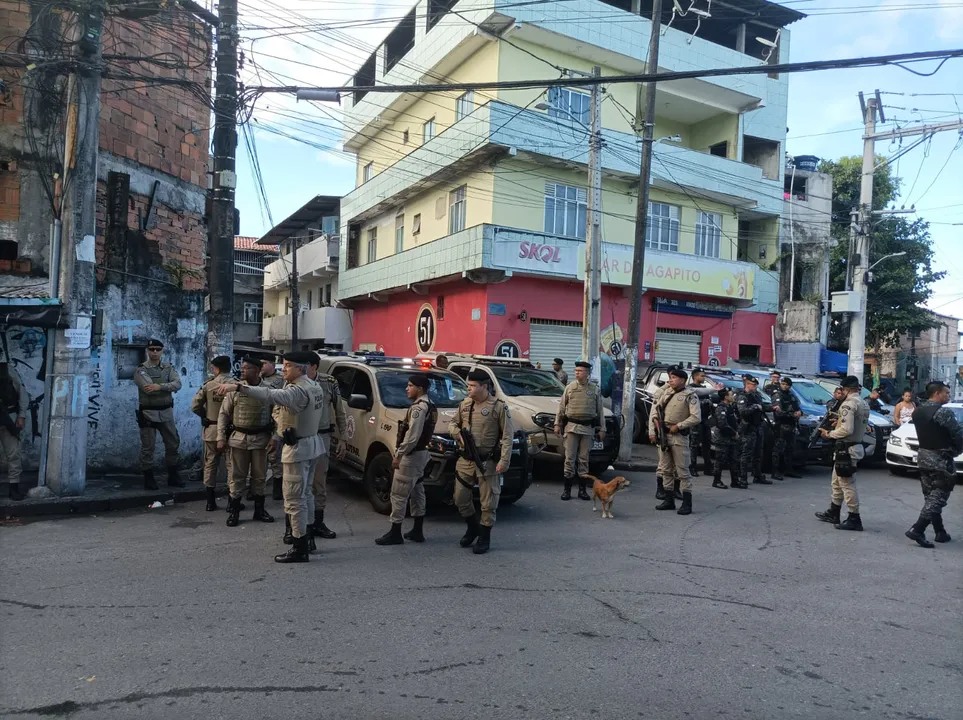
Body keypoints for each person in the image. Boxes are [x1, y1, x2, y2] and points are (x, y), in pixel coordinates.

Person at [216, 352, 324, 563]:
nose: (283, 369)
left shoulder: (297, 391)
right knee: (306, 495)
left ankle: (299, 545)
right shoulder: (313, 385)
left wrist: (238, 387)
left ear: (300, 369)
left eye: (288, 366)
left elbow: (270, 395)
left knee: (294, 499)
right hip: (311, 444)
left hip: (298, 448)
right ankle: (309, 538)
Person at [449, 368, 514, 554]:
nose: (468, 388)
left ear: (484, 386)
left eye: (472, 386)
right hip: (466, 459)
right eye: (468, 385)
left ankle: (484, 536)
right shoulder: (465, 404)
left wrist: (504, 461)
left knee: (488, 502)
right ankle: (472, 527)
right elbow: (453, 423)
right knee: (460, 498)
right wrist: (458, 434)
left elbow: (508, 436)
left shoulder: (498, 406)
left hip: (487, 462)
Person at [376, 375, 436, 546]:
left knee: (399, 494)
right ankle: (417, 530)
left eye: (410, 386)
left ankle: (395, 533)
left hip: (412, 456)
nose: (407, 388)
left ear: (420, 389)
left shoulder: (419, 408)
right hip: (422, 455)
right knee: (417, 492)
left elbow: (412, 436)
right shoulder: (430, 405)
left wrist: (399, 455)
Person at [217, 357, 276, 527]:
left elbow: (278, 415)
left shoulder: (268, 391)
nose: (242, 371)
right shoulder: (234, 390)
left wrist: (275, 437)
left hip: (261, 439)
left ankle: (259, 510)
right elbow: (224, 415)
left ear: (257, 371)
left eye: (247, 368)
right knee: (237, 477)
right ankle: (234, 511)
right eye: (242, 368)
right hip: (239, 439)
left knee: (259, 477)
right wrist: (220, 437)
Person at [905, 381, 962, 548]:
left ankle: (940, 531)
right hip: (940, 458)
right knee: (938, 497)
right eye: (946, 393)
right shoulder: (943, 412)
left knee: (931, 496)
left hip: (923, 456)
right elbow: (959, 435)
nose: (948, 396)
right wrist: (956, 450)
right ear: (937, 393)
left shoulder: (918, 411)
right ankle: (918, 529)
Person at [815, 375, 870, 531]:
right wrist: (838, 423)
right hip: (851, 447)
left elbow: (847, 430)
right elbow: (855, 424)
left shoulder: (848, 404)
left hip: (847, 448)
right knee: (837, 481)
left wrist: (829, 434)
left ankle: (854, 517)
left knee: (847, 484)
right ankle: (834, 511)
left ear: (846, 389)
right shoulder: (863, 403)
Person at [648, 367, 700, 515]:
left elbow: (696, 417)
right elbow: (656, 412)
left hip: (678, 437)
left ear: (682, 380)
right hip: (664, 435)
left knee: (682, 471)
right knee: (666, 470)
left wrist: (679, 426)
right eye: (670, 378)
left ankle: (687, 503)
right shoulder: (667, 393)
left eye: (674, 378)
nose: (670, 380)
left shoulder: (690, 395)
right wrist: (655, 429)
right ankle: (669, 499)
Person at [306, 352, 346, 540]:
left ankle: (318, 522)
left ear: (314, 366)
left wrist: (343, 438)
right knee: (298, 484)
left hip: (322, 437)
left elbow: (340, 411)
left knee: (319, 483)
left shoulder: (329, 382)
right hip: (301, 439)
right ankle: (294, 527)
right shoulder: (291, 382)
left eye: (304, 364)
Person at [134, 339, 183, 490]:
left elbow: (178, 384)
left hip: (166, 412)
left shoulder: (168, 368)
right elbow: (148, 387)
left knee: (173, 443)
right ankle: (148, 478)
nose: (155, 352)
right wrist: (166, 387)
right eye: (152, 349)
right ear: (147, 351)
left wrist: (159, 386)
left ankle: (173, 476)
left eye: (158, 349)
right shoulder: (141, 370)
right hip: (148, 412)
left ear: (162, 351)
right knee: (148, 447)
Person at [555, 360, 604, 501]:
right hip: (572, 427)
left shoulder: (594, 389)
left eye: (580, 371)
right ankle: (567, 490)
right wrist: (557, 424)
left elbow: (599, 411)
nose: (577, 373)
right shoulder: (570, 387)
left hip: (587, 429)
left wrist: (602, 429)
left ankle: (582, 490)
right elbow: (561, 408)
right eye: (576, 371)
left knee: (584, 460)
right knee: (569, 459)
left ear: (587, 373)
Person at [191, 355, 234, 511]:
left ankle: (210, 501)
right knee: (232, 467)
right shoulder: (236, 384)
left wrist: (205, 416)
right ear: (229, 367)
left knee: (210, 465)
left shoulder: (208, 385)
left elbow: (195, 406)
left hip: (212, 430)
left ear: (215, 369)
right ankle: (232, 502)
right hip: (231, 431)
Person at [0, 357, 27, 501]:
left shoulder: (7, 370)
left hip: (8, 419)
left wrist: (21, 415)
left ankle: (14, 488)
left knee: (13, 455)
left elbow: (22, 393)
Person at [736, 375, 769, 485]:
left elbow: (762, 406)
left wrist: (772, 408)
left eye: (756, 385)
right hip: (748, 427)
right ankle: (743, 477)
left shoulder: (756, 395)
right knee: (746, 453)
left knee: (758, 453)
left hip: (758, 426)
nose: (755, 387)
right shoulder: (742, 396)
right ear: (747, 384)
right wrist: (754, 407)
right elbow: (742, 411)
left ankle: (757, 475)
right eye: (753, 385)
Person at [260, 359, 285, 500]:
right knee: (259, 460)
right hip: (260, 424)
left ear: (272, 364)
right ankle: (256, 489)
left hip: (275, 423)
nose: (261, 366)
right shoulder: (257, 379)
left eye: (264, 363)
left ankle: (277, 487)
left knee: (275, 458)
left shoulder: (281, 381)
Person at [770, 377, 803, 481]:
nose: (784, 386)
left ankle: (788, 469)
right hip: (781, 425)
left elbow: (798, 407)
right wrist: (792, 414)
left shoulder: (791, 396)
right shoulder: (777, 395)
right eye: (783, 384)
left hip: (791, 425)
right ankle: (775, 471)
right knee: (778, 449)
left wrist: (799, 413)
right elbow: (778, 412)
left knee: (790, 449)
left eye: (786, 384)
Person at [710, 388, 740, 490]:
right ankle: (717, 481)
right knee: (720, 461)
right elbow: (722, 424)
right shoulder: (721, 408)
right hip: (723, 438)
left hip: (732, 438)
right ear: (726, 397)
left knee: (734, 460)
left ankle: (735, 481)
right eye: (731, 394)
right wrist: (733, 433)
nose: (733, 396)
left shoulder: (730, 407)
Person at [687, 367, 714, 477]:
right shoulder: (690, 389)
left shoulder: (704, 388)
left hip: (705, 420)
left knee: (706, 445)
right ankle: (692, 467)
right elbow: (691, 404)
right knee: (694, 445)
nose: (703, 378)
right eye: (702, 376)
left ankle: (708, 468)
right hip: (694, 421)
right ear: (695, 376)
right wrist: (704, 402)